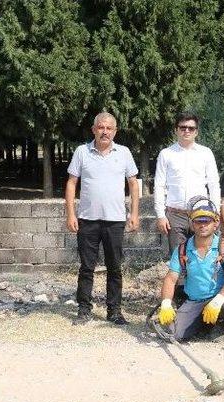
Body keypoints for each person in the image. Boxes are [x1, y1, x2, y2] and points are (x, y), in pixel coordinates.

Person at [65, 112, 140, 325]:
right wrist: (71, 213)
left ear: (115, 131)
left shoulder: (124, 153)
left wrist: (134, 214)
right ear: (94, 130)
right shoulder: (82, 152)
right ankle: (84, 309)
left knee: (115, 267)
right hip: (87, 219)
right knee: (86, 267)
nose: (105, 131)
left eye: (109, 128)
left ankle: (114, 311)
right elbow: (72, 183)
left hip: (115, 220)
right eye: (101, 127)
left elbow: (133, 184)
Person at [157, 202, 224, 342]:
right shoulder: (182, 250)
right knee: (172, 334)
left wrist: (218, 301)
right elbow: (170, 279)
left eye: (206, 221)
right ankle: (203, 324)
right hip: (194, 301)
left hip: (220, 299)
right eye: (198, 221)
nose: (202, 225)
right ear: (192, 224)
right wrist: (166, 303)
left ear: (215, 224)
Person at [154, 112, 221, 254]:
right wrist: (160, 215)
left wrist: (216, 213)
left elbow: (214, 184)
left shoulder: (206, 153)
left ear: (196, 131)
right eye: (183, 127)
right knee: (179, 259)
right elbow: (159, 185)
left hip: (201, 213)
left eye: (191, 128)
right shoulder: (166, 154)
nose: (186, 131)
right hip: (175, 215)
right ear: (176, 130)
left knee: (202, 255)